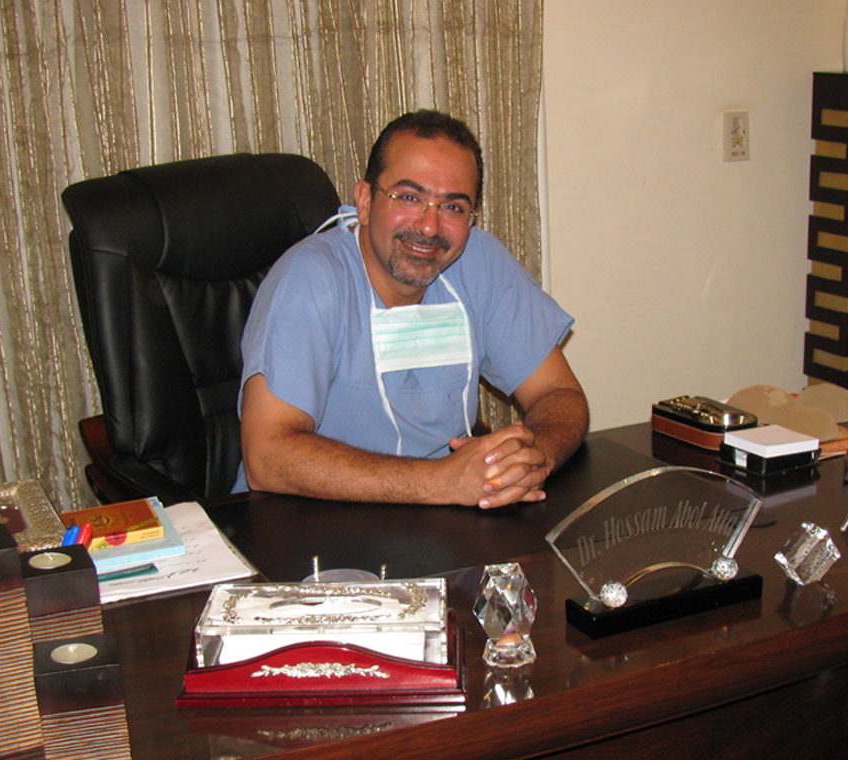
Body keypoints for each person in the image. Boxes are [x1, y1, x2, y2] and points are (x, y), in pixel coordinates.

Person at [235, 110, 588, 509]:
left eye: (453, 207)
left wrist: (532, 459)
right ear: (365, 201)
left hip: (441, 519)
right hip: (307, 523)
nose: (429, 227)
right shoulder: (310, 278)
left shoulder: (480, 263)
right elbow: (267, 457)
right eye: (409, 197)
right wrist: (440, 481)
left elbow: (559, 394)